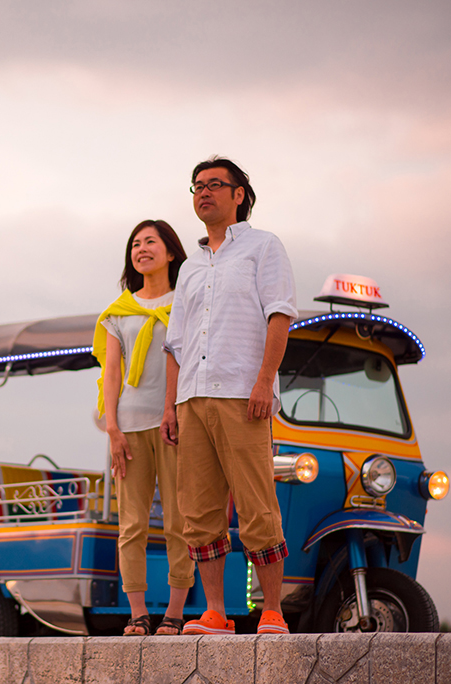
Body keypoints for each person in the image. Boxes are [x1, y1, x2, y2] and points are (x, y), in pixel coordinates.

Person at [161, 157, 297, 636]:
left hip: (243, 393)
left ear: (239, 194)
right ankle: (216, 612)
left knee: (257, 505)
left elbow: (280, 315)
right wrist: (170, 407)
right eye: (197, 186)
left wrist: (265, 381)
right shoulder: (191, 266)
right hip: (191, 400)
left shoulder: (264, 247)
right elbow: (175, 342)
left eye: (215, 185)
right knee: (197, 512)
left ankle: (272, 612)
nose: (204, 193)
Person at [93, 219, 194, 636]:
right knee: (131, 524)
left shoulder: (185, 303)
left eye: (151, 242)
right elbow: (111, 374)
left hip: (176, 425)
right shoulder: (119, 312)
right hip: (128, 428)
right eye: (135, 244)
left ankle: (174, 613)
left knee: (179, 522)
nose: (141, 249)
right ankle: (137, 614)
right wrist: (112, 430)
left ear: (171, 252)